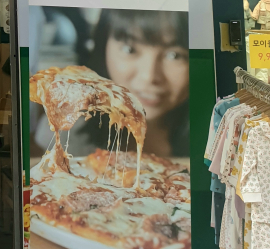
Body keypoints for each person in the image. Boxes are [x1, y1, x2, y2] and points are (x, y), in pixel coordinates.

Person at [78, 9, 189, 158]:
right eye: (129, 49)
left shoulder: (215, 137)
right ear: (102, 47)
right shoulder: (64, 132)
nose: (148, 77)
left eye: (175, 55)